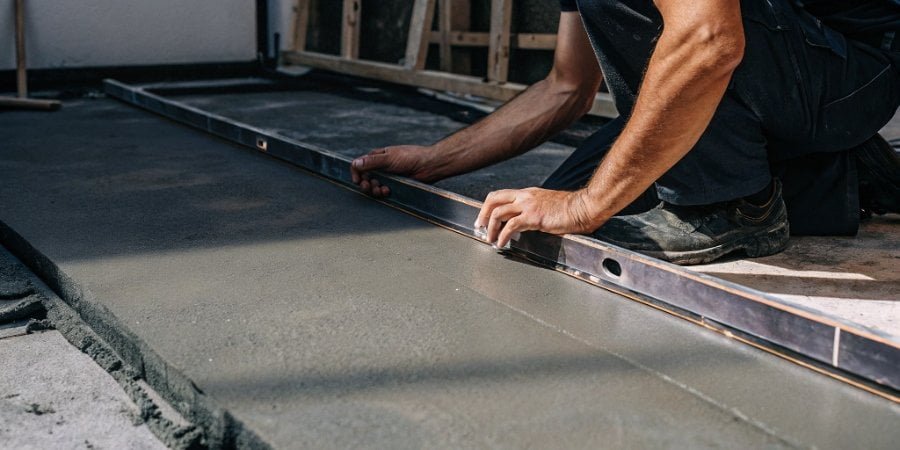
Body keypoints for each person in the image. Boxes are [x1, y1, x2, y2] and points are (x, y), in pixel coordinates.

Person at [351, 0, 900, 265]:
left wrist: (588, 206)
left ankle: (733, 209)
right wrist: (432, 161)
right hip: (783, 75)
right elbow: (567, 87)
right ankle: (838, 174)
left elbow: (709, 38)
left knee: (599, 201)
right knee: (561, 193)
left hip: (849, 69)